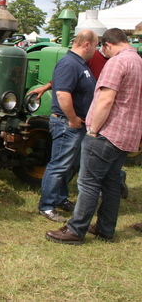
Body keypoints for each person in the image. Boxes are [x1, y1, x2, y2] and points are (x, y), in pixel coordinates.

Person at [46, 28, 142, 244]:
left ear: (108, 45)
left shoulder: (117, 63)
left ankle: (75, 230)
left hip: (107, 133)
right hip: (127, 134)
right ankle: (105, 228)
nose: (101, 52)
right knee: (110, 184)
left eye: (102, 47)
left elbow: (106, 100)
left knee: (88, 182)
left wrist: (93, 130)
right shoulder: (138, 61)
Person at [29, 43, 129, 199]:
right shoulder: (88, 58)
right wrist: (47, 87)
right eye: (95, 44)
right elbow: (65, 80)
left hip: (94, 115)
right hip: (78, 119)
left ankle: (111, 181)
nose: (96, 48)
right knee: (65, 162)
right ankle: (50, 202)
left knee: (84, 158)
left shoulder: (117, 62)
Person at [38, 29, 98, 223]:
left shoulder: (80, 64)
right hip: (67, 123)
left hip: (75, 124)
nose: (95, 50)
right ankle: (46, 205)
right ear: (86, 44)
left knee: (69, 165)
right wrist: (72, 118)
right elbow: (63, 94)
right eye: (95, 45)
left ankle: (60, 199)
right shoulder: (69, 63)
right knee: (59, 165)